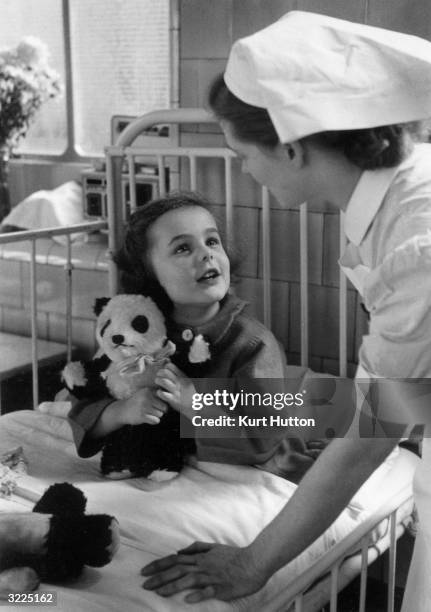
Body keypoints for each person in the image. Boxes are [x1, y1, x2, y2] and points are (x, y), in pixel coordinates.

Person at [141, 12, 431, 611]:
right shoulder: (385, 207)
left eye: (241, 153)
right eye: (178, 247)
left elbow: (377, 420)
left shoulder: (414, 242)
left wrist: (252, 563)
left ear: (292, 148)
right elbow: (376, 398)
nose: (243, 170)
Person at [68, 192, 321, 478]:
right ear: (149, 275)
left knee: (354, 411)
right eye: (182, 248)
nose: (206, 253)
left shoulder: (253, 343)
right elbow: (86, 403)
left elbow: (265, 437)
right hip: (157, 456)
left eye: (212, 241)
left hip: (258, 442)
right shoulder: (135, 331)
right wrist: (122, 411)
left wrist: (195, 405)